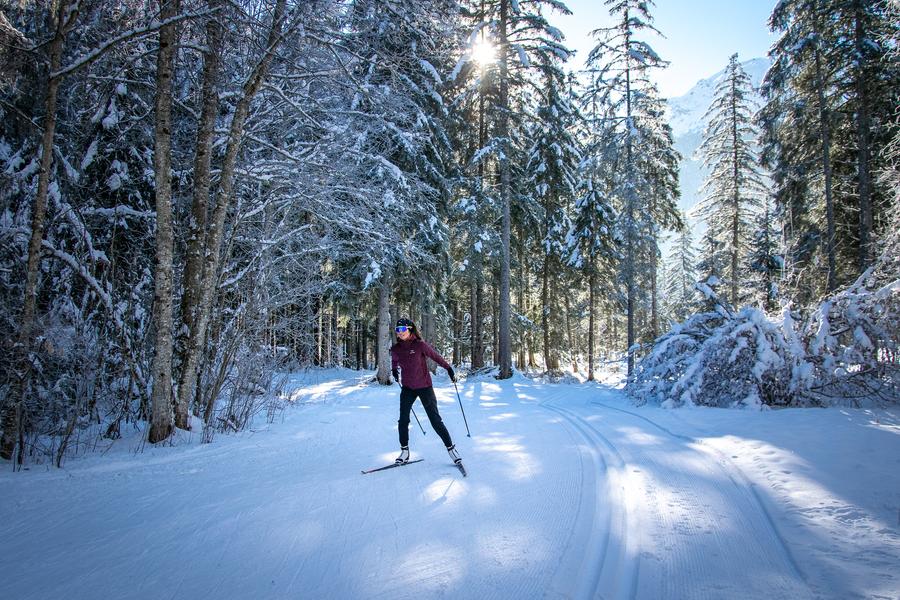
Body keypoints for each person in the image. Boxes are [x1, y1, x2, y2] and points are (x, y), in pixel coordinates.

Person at [390, 317, 462, 467]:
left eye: (402, 329)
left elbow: (435, 356)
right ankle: (404, 452)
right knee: (403, 420)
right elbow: (395, 360)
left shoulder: (419, 345)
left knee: (435, 420)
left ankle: (451, 449)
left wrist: (448, 368)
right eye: (397, 330)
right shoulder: (396, 348)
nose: (399, 333)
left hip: (424, 387)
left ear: (410, 329)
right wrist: (394, 370)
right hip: (408, 388)